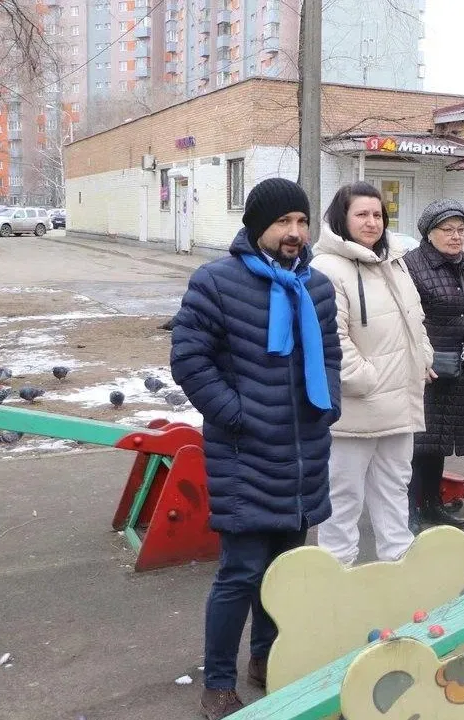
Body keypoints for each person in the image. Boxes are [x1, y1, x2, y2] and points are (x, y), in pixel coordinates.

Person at [170, 177, 341, 720]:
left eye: (301, 221)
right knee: (240, 573)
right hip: (244, 454)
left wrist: (327, 402)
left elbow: (331, 353)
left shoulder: (316, 286)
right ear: (256, 227)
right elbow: (189, 361)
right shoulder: (216, 282)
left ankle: (268, 659)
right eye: (282, 222)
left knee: (285, 570)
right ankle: (218, 681)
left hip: (303, 454)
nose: (294, 233)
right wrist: (237, 416)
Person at [309, 182, 434, 566]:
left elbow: (415, 317)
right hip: (355, 409)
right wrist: (365, 379)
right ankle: (335, 575)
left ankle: (398, 567)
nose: (371, 222)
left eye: (377, 214)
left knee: (395, 489)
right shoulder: (327, 268)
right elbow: (330, 337)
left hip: (399, 403)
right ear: (342, 219)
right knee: (343, 497)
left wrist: (423, 357)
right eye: (361, 214)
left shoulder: (393, 261)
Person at [403, 199, 464, 530]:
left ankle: (432, 504)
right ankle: (409, 510)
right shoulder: (412, 267)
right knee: (416, 444)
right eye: (448, 230)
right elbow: (407, 323)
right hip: (426, 371)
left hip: (458, 371)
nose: (456, 236)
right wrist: (419, 362)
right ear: (429, 233)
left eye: (461, 229)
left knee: (438, 442)